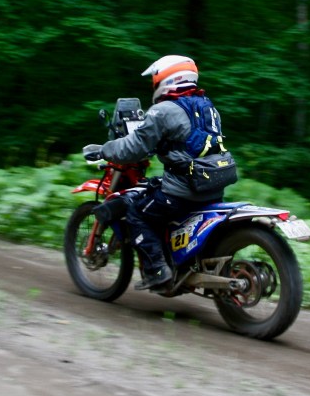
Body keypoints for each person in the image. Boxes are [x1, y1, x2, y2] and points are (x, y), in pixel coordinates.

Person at [82, 55, 230, 291]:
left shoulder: (162, 110)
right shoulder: (207, 106)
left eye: (155, 79)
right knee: (156, 191)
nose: (154, 84)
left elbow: (133, 147)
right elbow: (186, 142)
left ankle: (157, 271)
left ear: (166, 79)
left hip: (184, 190)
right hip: (212, 185)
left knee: (136, 212)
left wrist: (104, 150)